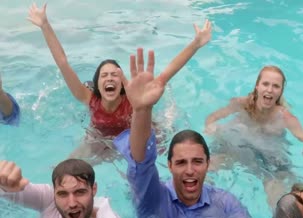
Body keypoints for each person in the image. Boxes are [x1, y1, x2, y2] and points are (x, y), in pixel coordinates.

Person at [113, 48, 303, 218]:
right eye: (181, 163)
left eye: (197, 161)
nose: (189, 170)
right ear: (169, 166)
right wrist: (142, 111)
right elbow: (141, 164)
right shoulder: (153, 198)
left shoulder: (224, 203)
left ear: (208, 164)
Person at [28, 3, 212, 165]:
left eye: (114, 75)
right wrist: (44, 25)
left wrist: (196, 43)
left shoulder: (133, 99)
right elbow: (63, 63)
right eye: (104, 75)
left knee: (169, 156)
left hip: (139, 137)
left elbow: (167, 74)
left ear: (122, 83)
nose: (109, 78)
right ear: (97, 85)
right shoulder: (88, 97)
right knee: (67, 167)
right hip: (102, 139)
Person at [204, 65, 303, 207]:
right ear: (257, 86)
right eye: (265, 84)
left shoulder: (285, 118)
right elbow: (212, 117)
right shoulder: (240, 104)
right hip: (236, 149)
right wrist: (211, 127)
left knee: (279, 199)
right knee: (207, 168)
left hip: (268, 161)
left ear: (280, 92)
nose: (270, 90)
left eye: (276, 86)